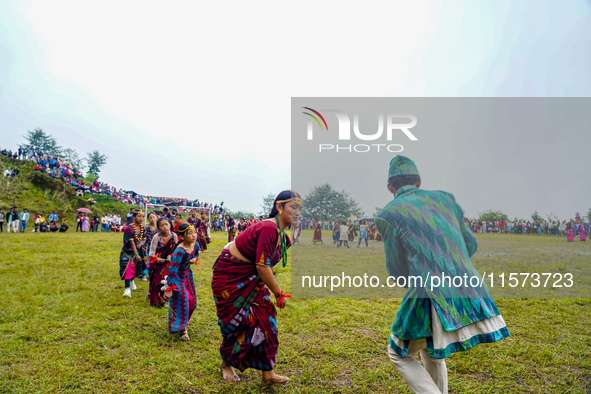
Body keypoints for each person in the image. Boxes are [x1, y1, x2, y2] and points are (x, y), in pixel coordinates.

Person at [375, 156, 509, 394]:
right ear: (418, 181)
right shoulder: (445, 198)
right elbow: (470, 244)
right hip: (469, 286)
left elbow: (396, 269)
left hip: (428, 291)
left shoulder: (388, 214)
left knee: (397, 353)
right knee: (429, 347)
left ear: (390, 187)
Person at [211, 190, 301, 386]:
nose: (297, 213)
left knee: (267, 320)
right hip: (231, 278)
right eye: (293, 207)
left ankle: (268, 373)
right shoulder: (270, 229)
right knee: (241, 322)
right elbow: (262, 266)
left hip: (252, 280)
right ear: (279, 207)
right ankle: (226, 363)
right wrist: (278, 293)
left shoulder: (282, 236)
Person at [163, 223, 199, 341]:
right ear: (182, 237)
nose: (194, 235)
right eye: (190, 233)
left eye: (194, 232)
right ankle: (182, 329)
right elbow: (172, 270)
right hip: (177, 277)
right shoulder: (179, 251)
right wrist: (169, 289)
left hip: (188, 276)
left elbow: (196, 254)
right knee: (183, 301)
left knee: (192, 301)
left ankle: (184, 322)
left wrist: (195, 259)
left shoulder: (196, 245)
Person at [148, 217, 178, 307]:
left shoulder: (174, 236)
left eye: (166, 224)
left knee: (169, 280)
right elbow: (151, 253)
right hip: (159, 263)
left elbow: (177, 250)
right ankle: (158, 299)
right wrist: (157, 258)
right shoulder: (156, 237)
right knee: (157, 281)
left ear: (170, 225)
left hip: (170, 263)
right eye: (161, 225)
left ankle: (167, 297)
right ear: (158, 227)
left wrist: (172, 256)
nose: (164, 227)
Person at [120, 211, 146, 298]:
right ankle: (127, 289)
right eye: (139, 216)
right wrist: (136, 254)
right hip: (129, 252)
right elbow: (131, 241)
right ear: (134, 217)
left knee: (136, 268)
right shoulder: (129, 228)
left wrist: (141, 244)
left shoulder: (143, 228)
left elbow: (144, 238)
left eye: (143, 217)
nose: (141, 218)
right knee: (128, 268)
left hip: (139, 251)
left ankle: (131, 281)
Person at [140, 212, 159, 282]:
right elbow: (143, 238)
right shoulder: (146, 228)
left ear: (156, 217)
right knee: (146, 259)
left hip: (157, 246)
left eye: (153, 217)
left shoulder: (159, 226)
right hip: (147, 246)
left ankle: (154, 274)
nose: (152, 219)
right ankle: (144, 274)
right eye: (150, 218)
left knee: (156, 260)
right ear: (148, 219)